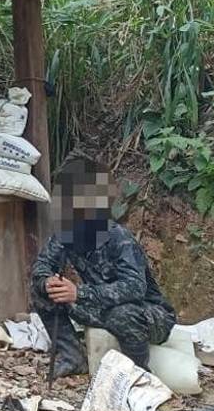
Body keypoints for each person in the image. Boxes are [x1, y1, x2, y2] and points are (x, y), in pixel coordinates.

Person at [30, 155, 177, 377]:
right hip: (101, 308)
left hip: (148, 314)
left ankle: (137, 375)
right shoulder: (65, 234)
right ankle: (72, 357)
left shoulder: (119, 238)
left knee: (123, 314)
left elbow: (134, 288)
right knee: (41, 294)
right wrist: (48, 282)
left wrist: (78, 293)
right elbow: (41, 267)